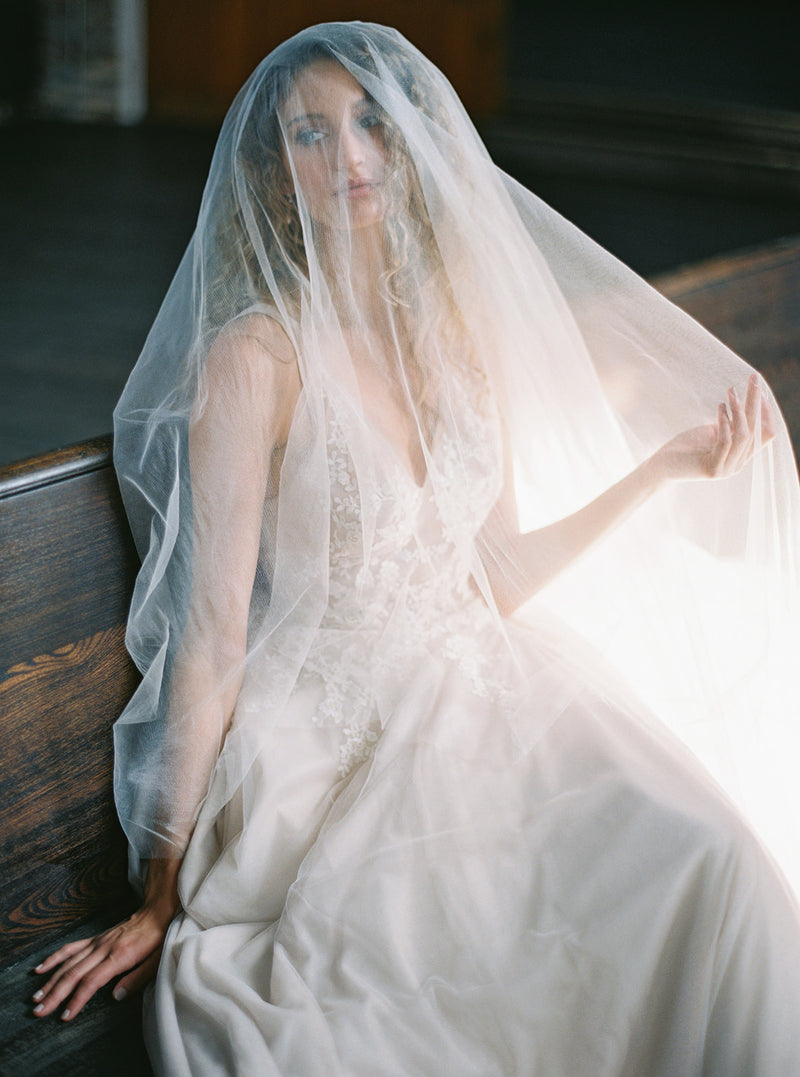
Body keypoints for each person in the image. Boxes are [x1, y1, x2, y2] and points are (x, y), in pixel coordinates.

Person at [32, 22, 800, 1075]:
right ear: (274, 169)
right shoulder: (254, 358)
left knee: (715, 863)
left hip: (489, 692)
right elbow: (209, 636)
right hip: (337, 743)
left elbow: (496, 571)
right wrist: (158, 895)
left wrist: (659, 468)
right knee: (428, 1002)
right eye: (310, 133)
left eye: (368, 125)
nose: (347, 157)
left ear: (407, 146)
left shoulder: (449, 333)